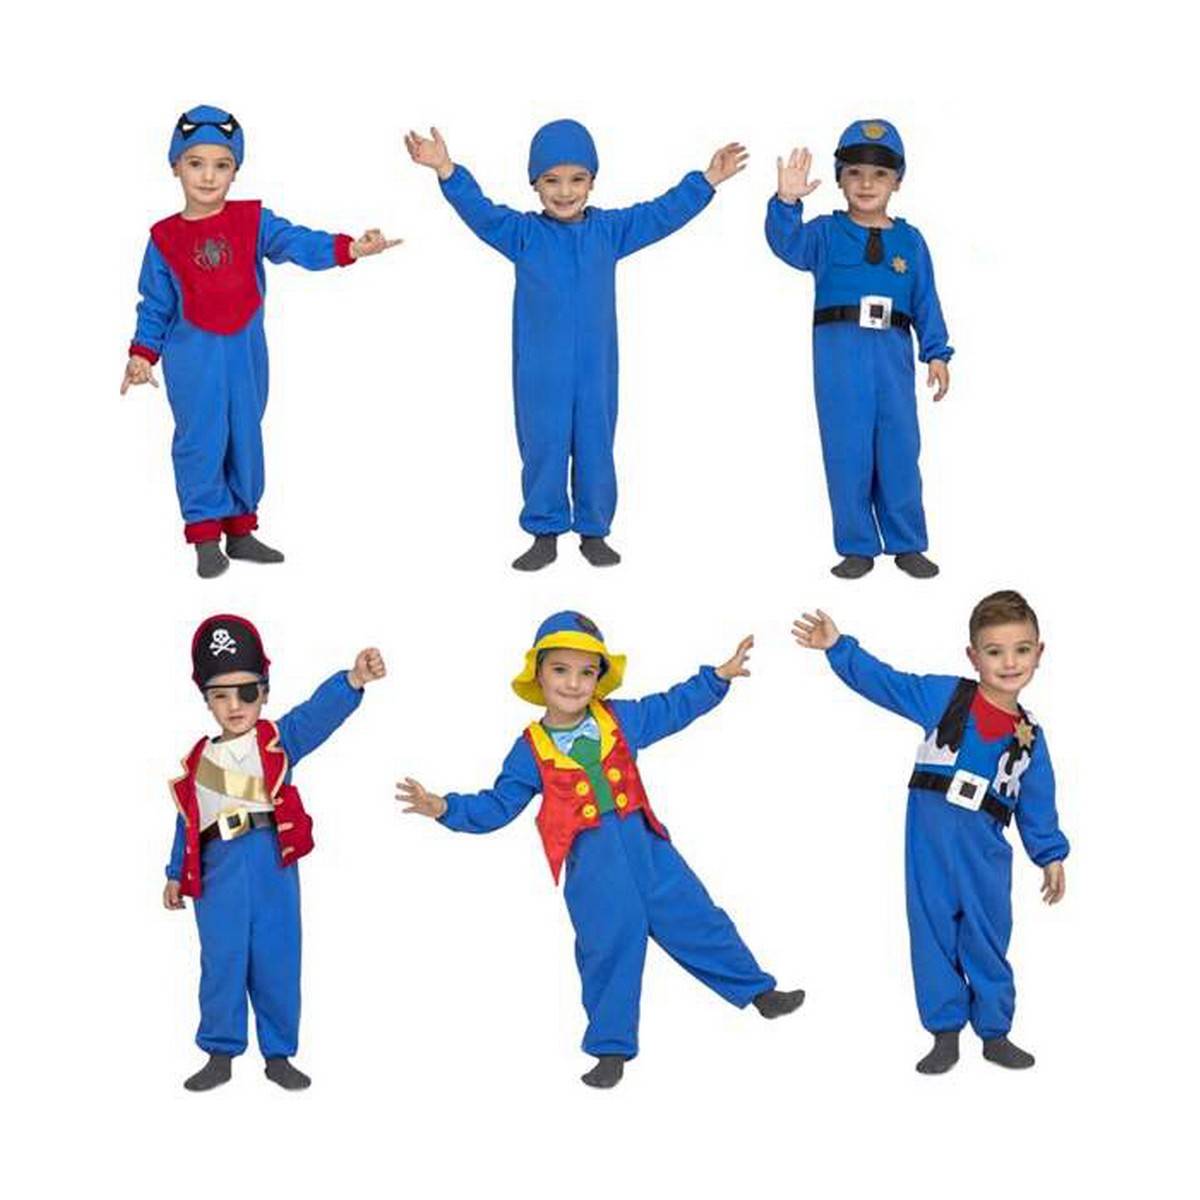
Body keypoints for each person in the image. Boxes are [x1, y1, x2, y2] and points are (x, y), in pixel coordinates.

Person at [397, 611, 804, 1087]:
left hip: (649, 849)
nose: (573, 683)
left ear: (599, 679)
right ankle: (610, 1049)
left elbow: (670, 707)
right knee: (607, 949)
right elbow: (498, 805)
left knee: (699, 918)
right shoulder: (530, 749)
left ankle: (758, 992)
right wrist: (444, 807)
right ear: (538, 675)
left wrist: (717, 678)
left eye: (586, 672)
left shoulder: (620, 719)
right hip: (594, 868)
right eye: (560, 670)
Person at [406, 120, 746, 570]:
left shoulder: (610, 231)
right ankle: (544, 531)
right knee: (543, 445)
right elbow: (479, 211)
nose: (564, 192)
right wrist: (447, 170)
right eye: (551, 180)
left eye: (576, 179)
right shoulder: (522, 234)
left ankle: (593, 530)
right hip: (541, 372)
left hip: (595, 371)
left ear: (592, 182)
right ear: (534, 184)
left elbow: (661, 213)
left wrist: (708, 179)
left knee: (595, 446)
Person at [792, 591, 1068, 1073]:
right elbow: (887, 684)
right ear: (973, 656)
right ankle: (944, 1032)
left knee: (987, 935)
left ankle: (995, 1032)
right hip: (928, 848)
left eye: (1021, 650)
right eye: (995, 651)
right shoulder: (946, 697)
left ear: (1039, 653)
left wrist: (1051, 855)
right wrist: (839, 647)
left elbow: (1038, 804)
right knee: (932, 933)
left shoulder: (1031, 737)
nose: (1009, 663)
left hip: (985, 855)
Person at [124, 105, 400, 577]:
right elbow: (155, 305)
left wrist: (349, 248)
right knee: (202, 440)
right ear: (175, 166)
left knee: (245, 437)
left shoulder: (252, 221)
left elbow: (297, 242)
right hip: (194, 362)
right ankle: (205, 535)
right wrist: (141, 354)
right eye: (195, 163)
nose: (208, 176)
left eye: (222, 165)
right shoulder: (165, 238)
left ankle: (241, 529)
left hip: (246, 357)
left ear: (236, 170)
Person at [163, 613, 385, 1090]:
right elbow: (188, 820)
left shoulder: (278, 741)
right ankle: (220, 1051)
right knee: (221, 960)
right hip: (217, 868)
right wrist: (174, 872)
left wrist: (352, 679)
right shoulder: (199, 761)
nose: (235, 705)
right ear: (207, 701)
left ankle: (279, 1053)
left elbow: (316, 715)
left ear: (264, 693)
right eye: (221, 695)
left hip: (271, 861)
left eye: (247, 692)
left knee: (277, 956)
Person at [766, 120, 952, 579]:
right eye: (854, 173)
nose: (866, 184)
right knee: (847, 452)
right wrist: (786, 203)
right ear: (839, 179)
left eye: (880, 174)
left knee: (899, 450)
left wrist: (936, 352)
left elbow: (926, 299)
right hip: (840, 362)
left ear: (897, 182)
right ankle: (856, 546)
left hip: (892, 360)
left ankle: (907, 542)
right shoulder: (824, 235)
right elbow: (786, 244)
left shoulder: (911, 241)